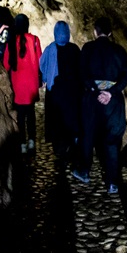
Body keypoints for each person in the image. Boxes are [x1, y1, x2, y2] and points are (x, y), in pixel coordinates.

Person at [73, 17, 127, 193]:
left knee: (88, 135)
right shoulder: (119, 51)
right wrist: (111, 92)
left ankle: (84, 171)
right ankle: (112, 182)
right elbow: (126, 75)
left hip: (92, 99)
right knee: (112, 141)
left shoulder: (88, 48)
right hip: (113, 102)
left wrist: (95, 89)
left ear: (95, 32)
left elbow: (82, 73)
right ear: (110, 33)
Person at [39, 21, 82, 158]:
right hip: (72, 92)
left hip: (55, 92)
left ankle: (59, 148)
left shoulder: (50, 49)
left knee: (56, 120)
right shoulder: (74, 49)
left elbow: (42, 66)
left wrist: (45, 78)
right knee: (71, 118)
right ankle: (72, 142)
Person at [4, 13, 41, 153]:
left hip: (17, 84)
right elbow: (40, 61)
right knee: (31, 113)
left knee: (20, 115)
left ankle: (22, 144)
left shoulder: (12, 41)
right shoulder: (35, 40)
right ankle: (32, 141)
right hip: (31, 83)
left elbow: (6, 65)